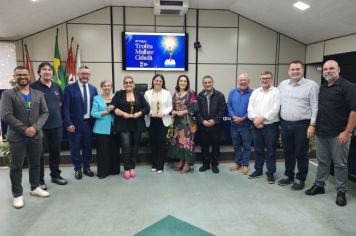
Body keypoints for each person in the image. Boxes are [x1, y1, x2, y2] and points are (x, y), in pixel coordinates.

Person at [305, 60, 356, 206]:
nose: (328, 71)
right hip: (322, 133)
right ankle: (319, 185)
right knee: (322, 161)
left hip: (339, 134)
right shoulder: (323, 88)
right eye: (325, 69)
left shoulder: (348, 87)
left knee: (340, 164)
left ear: (338, 69)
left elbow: (354, 110)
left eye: (331, 68)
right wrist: (314, 127)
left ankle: (341, 191)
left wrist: (347, 132)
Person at [0, 66, 50, 209]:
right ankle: (17, 195)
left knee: (35, 164)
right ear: (14, 76)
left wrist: (35, 128)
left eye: (25, 74)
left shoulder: (38, 94)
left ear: (29, 76)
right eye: (19, 74)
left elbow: (45, 113)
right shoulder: (8, 94)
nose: (22, 77)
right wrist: (24, 129)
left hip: (36, 135)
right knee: (16, 167)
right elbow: (6, 115)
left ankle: (35, 188)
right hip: (17, 136)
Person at [278, 60, 319, 190]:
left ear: (303, 71)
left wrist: (312, 125)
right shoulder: (283, 84)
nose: (295, 71)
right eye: (293, 69)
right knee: (288, 151)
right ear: (288, 71)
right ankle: (289, 175)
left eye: (298, 69)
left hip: (302, 125)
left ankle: (301, 178)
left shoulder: (312, 85)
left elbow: (315, 106)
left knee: (301, 153)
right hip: (285, 124)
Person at [30, 62, 68, 189]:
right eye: (44, 69)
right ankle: (39, 180)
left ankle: (55, 175)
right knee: (39, 154)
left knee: (55, 152)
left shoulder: (57, 86)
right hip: (39, 127)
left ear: (52, 73)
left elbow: (60, 103)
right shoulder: (32, 87)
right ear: (39, 72)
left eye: (49, 70)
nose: (47, 71)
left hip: (56, 125)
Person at [63, 65, 98, 180]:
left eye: (87, 74)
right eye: (83, 73)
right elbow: (66, 108)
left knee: (88, 146)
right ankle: (77, 169)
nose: (85, 76)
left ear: (90, 76)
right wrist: (68, 123)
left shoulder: (93, 89)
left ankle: (86, 167)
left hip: (89, 123)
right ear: (78, 75)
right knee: (75, 147)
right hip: (74, 124)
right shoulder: (69, 88)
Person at [112, 76, 149, 180]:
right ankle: (127, 168)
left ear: (133, 84)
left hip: (137, 124)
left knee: (135, 147)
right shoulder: (119, 94)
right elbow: (113, 108)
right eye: (126, 82)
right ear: (124, 84)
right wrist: (124, 114)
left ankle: (133, 167)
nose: (128, 84)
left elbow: (147, 108)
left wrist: (139, 113)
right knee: (126, 147)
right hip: (123, 124)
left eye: (130, 82)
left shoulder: (139, 95)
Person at [247, 71, 280, 184]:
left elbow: (275, 109)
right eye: (263, 78)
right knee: (258, 149)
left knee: (271, 150)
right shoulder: (255, 92)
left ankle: (270, 172)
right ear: (260, 79)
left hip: (270, 126)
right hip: (256, 126)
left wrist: (261, 119)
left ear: (271, 79)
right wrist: (255, 120)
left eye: (267, 78)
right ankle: (258, 170)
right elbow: (250, 107)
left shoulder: (276, 92)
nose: (264, 80)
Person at [168, 75, 199, 173]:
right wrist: (172, 111)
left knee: (186, 143)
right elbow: (172, 107)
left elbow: (195, 107)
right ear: (178, 82)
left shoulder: (191, 93)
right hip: (177, 123)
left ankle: (187, 164)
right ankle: (181, 161)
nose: (183, 83)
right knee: (178, 143)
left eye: (185, 81)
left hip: (186, 122)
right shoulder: (175, 94)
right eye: (181, 81)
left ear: (187, 83)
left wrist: (184, 111)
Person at [196, 75, 226, 174]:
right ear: (203, 84)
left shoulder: (220, 95)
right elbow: (197, 111)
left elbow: (222, 110)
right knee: (204, 146)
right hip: (203, 126)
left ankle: (214, 163)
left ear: (213, 83)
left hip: (215, 126)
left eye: (209, 82)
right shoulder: (199, 96)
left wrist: (214, 120)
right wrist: (203, 121)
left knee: (215, 146)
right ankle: (205, 164)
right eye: (205, 83)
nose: (208, 84)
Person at [91, 80, 120, 179]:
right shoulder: (97, 98)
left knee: (114, 149)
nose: (107, 87)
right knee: (103, 151)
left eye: (109, 85)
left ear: (111, 87)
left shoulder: (116, 96)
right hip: (101, 128)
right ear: (102, 87)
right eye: (105, 86)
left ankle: (114, 170)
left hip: (115, 127)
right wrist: (106, 111)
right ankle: (103, 172)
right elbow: (93, 113)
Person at [144, 74, 172, 174]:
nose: (158, 82)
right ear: (153, 81)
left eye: (160, 81)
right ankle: (154, 164)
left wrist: (163, 113)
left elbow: (170, 107)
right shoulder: (147, 93)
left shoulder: (166, 93)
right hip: (151, 120)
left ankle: (160, 165)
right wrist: (150, 113)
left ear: (162, 82)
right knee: (153, 143)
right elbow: (145, 106)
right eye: (156, 80)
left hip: (163, 120)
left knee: (161, 142)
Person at [227, 73, 253, 175]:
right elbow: (229, 105)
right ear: (238, 81)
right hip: (234, 125)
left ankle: (245, 165)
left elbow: (254, 108)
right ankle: (238, 163)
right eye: (241, 80)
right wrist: (233, 116)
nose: (243, 82)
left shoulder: (253, 93)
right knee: (236, 145)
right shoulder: (232, 92)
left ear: (248, 81)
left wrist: (243, 118)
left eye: (244, 80)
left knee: (247, 146)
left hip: (246, 125)